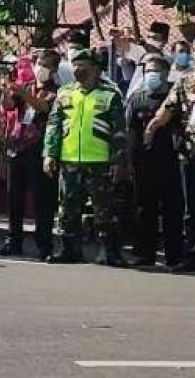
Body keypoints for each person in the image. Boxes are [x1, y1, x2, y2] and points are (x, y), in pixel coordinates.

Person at [43, 48, 128, 266]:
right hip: (69, 160)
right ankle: (69, 250)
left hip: (100, 162)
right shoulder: (65, 93)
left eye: (83, 65)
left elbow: (119, 132)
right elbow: (53, 126)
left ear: (96, 69)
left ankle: (109, 251)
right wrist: (50, 154)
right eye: (75, 65)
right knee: (68, 209)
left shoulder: (110, 95)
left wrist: (119, 161)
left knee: (104, 210)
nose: (78, 69)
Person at [147, 30, 195, 272]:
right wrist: (155, 124)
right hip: (190, 155)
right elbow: (168, 108)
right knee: (193, 211)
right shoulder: (185, 81)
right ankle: (194, 257)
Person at [0, 48, 60, 259]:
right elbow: (9, 106)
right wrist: (6, 90)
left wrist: (23, 93)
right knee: (14, 197)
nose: (40, 68)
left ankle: (44, 245)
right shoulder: (25, 86)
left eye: (46, 65)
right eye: (39, 63)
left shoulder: (56, 91)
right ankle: (13, 240)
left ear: (53, 69)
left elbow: (43, 107)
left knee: (43, 199)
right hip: (18, 147)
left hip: (41, 149)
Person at [126, 53, 183, 268]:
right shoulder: (137, 97)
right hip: (144, 162)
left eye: (156, 71)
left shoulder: (175, 96)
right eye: (148, 71)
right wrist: (129, 162)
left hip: (171, 161)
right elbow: (130, 131)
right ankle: (146, 253)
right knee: (144, 208)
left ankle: (174, 255)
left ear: (166, 74)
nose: (151, 76)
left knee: (172, 208)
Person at [126, 22, 171, 100]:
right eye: (148, 37)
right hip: (136, 98)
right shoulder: (142, 51)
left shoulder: (169, 59)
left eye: (154, 38)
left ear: (165, 40)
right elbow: (124, 47)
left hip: (158, 99)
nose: (150, 41)